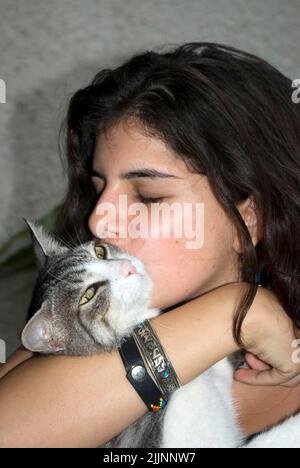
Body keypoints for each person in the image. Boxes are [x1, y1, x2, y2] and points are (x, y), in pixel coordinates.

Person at [0, 42, 299, 448]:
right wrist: (237, 313)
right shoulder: (81, 328)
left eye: (148, 196)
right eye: (98, 188)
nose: (98, 219)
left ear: (250, 217)